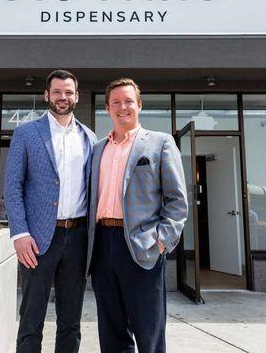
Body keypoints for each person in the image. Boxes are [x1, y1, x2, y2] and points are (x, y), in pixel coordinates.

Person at [87, 78, 188, 353]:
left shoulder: (160, 143)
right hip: (102, 246)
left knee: (149, 330)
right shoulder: (97, 149)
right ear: (107, 108)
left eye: (129, 101)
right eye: (116, 102)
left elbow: (177, 201)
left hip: (142, 245)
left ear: (139, 105)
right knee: (111, 330)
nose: (123, 107)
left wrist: (161, 241)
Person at [4, 69, 96, 353]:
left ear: (77, 96)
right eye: (57, 92)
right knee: (32, 318)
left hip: (78, 237)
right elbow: (12, 185)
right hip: (38, 240)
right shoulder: (26, 133)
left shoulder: (90, 138)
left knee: (71, 320)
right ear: (47, 95)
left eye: (69, 92)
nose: (63, 97)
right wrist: (19, 233)